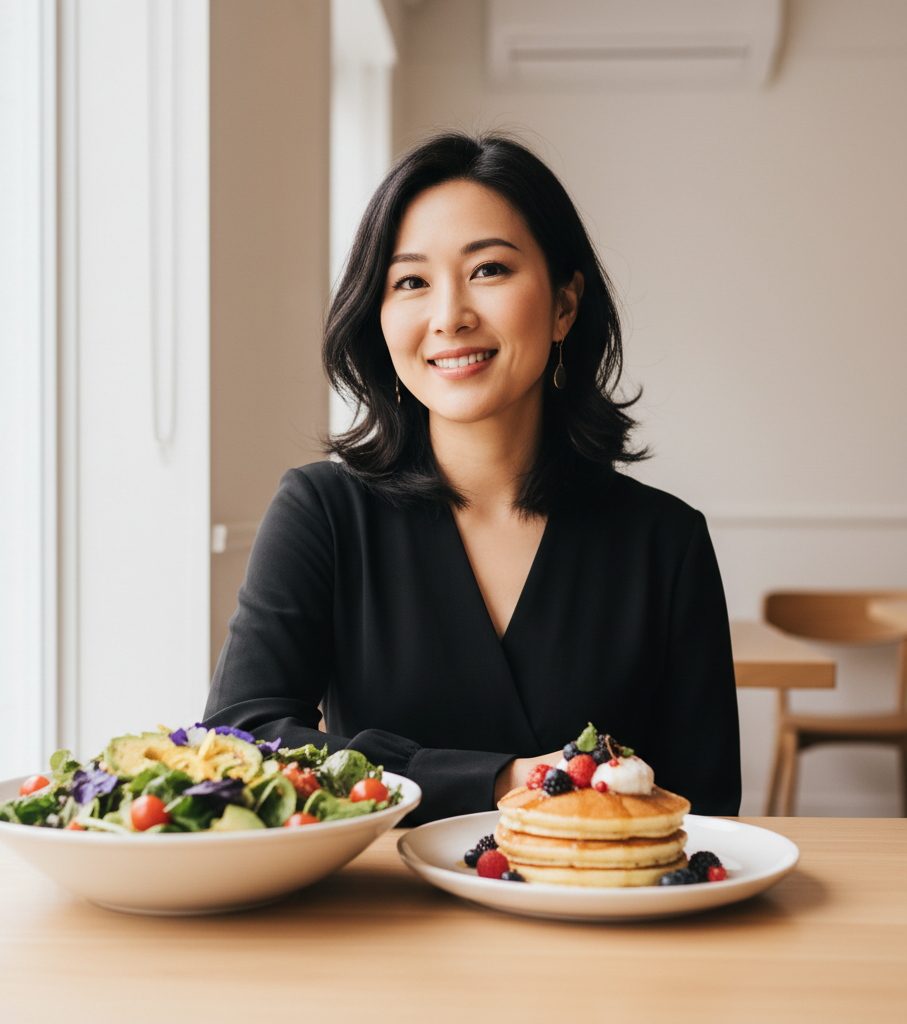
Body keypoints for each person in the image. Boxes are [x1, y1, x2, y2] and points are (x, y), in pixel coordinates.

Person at [204, 132, 741, 824]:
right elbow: (243, 738)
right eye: (411, 282)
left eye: (488, 270)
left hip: (602, 919)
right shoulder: (324, 513)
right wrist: (500, 780)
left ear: (565, 306)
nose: (449, 316)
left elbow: (706, 814)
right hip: (375, 917)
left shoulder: (667, 542)